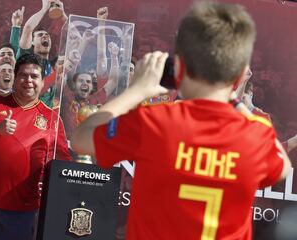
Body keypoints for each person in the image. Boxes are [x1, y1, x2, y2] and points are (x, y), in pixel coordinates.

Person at [71, 2, 292, 240]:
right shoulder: (256, 135)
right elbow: (283, 167)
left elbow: (82, 139)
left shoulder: (154, 122)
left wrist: (136, 90)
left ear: (179, 67)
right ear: (239, 76)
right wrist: (237, 102)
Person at [0, 53, 71, 240]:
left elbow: (62, 164)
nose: (28, 80)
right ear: (15, 79)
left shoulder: (52, 119)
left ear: (43, 82)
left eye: (34, 76)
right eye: (23, 75)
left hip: (21, 212)